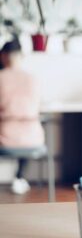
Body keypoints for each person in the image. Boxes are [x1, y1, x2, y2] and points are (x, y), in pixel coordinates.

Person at [0, 38, 45, 194]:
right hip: (33, 138)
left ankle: (18, 177)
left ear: (3, 56)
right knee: (23, 134)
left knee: (10, 130)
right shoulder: (33, 79)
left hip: (5, 137)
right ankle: (20, 177)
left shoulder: (1, 77)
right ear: (21, 56)